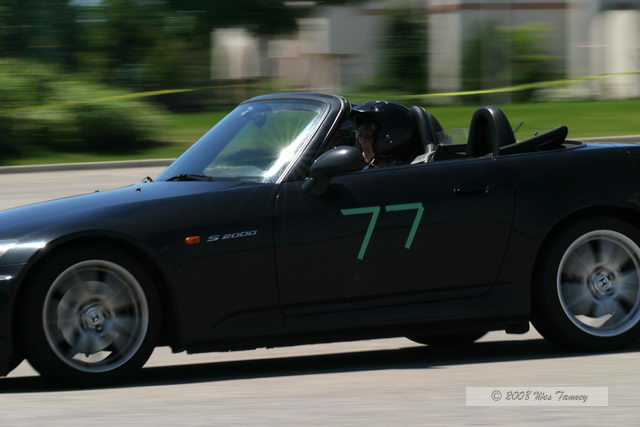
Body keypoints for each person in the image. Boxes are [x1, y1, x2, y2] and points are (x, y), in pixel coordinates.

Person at [351, 101, 420, 168]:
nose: (361, 141)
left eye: (367, 136)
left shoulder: (400, 172)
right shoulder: (369, 167)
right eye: (359, 135)